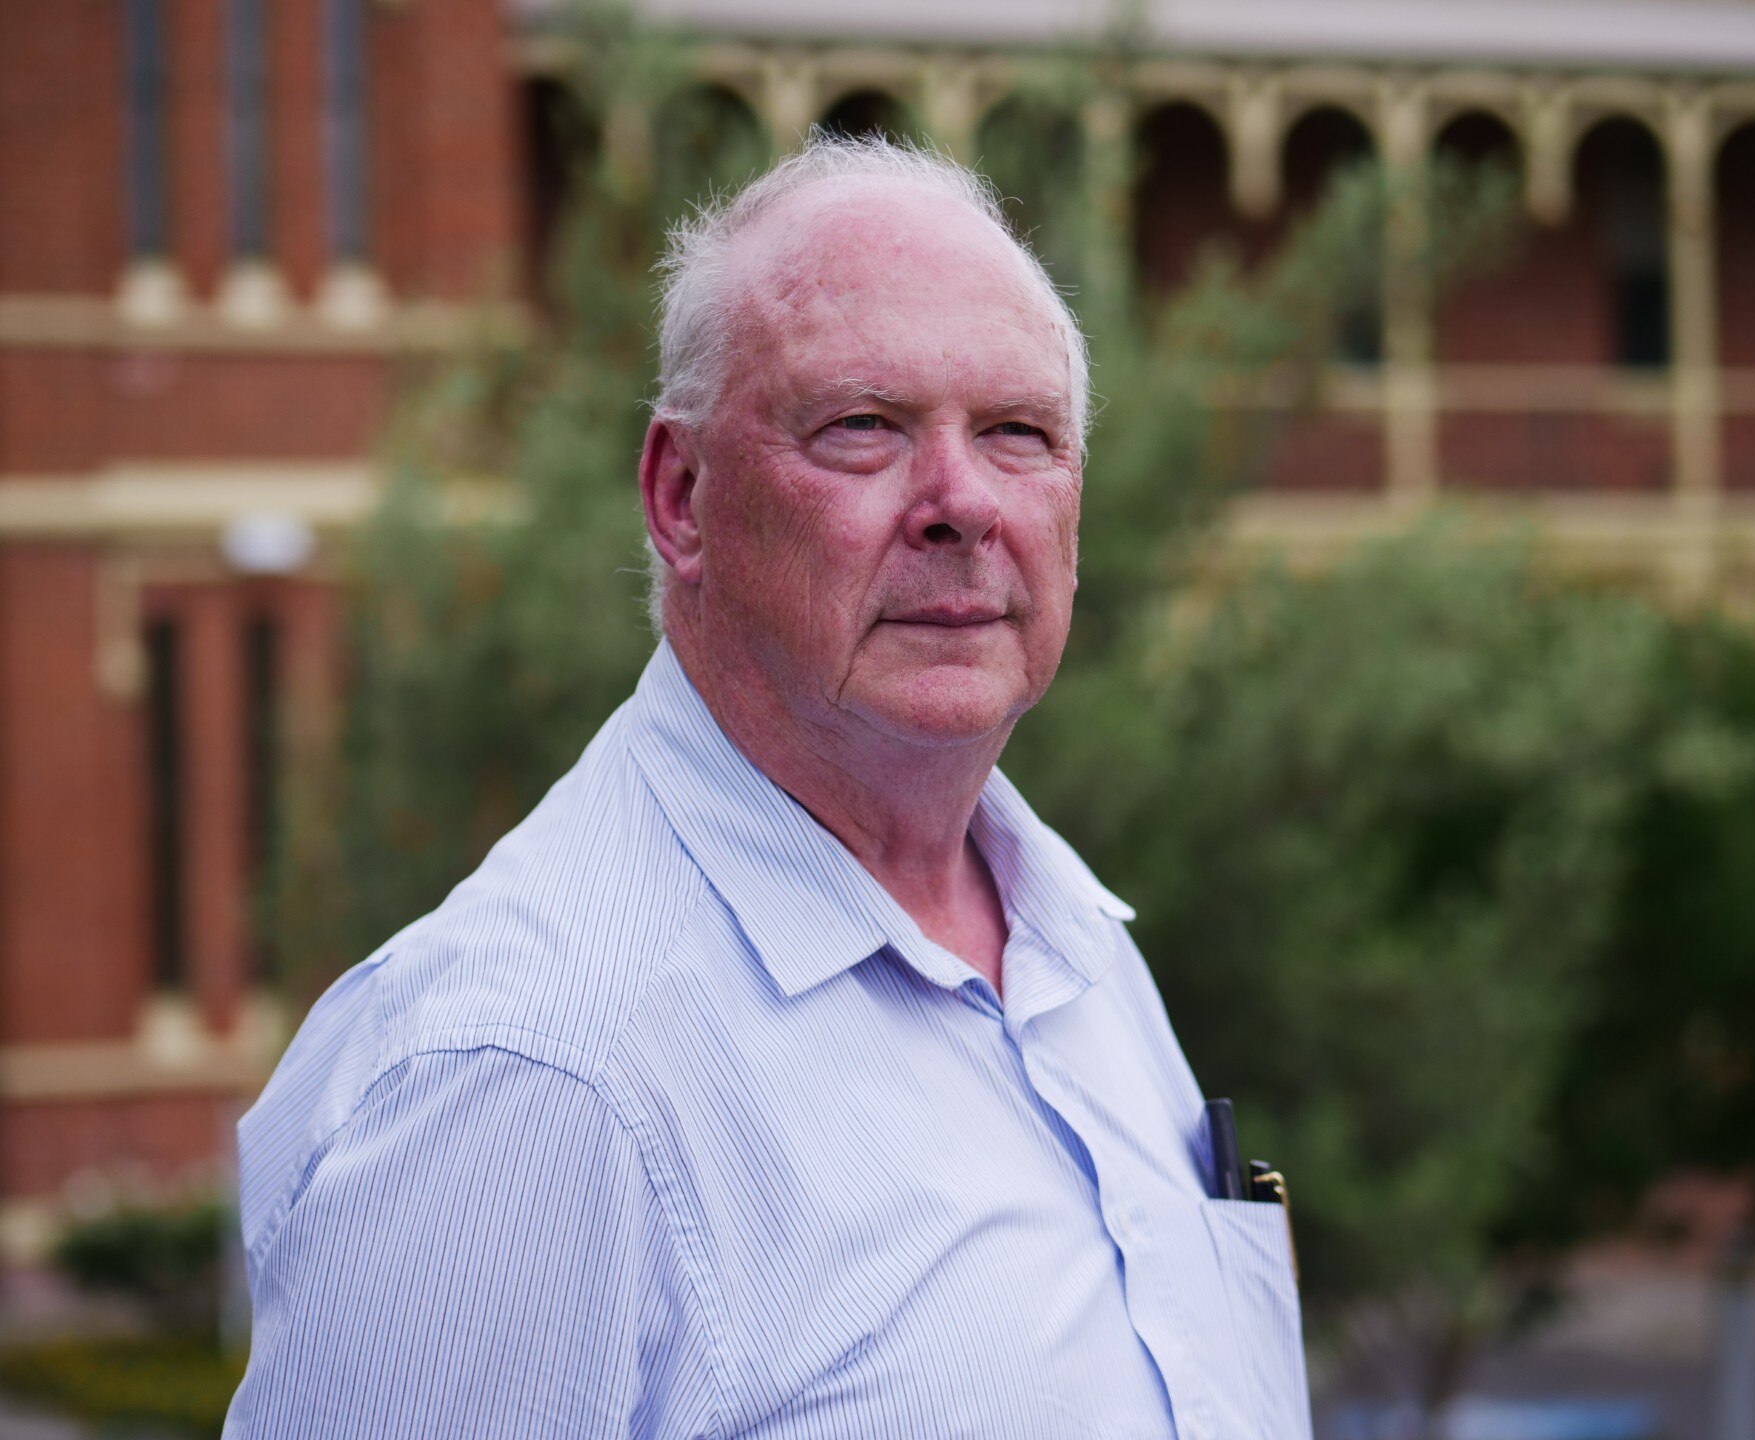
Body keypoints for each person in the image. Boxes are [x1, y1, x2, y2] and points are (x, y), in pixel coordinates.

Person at [224, 136, 1311, 1440]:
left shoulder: (1067, 938)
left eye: (1020, 433)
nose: (960, 501)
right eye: (863, 427)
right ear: (682, 498)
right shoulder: (526, 1071)